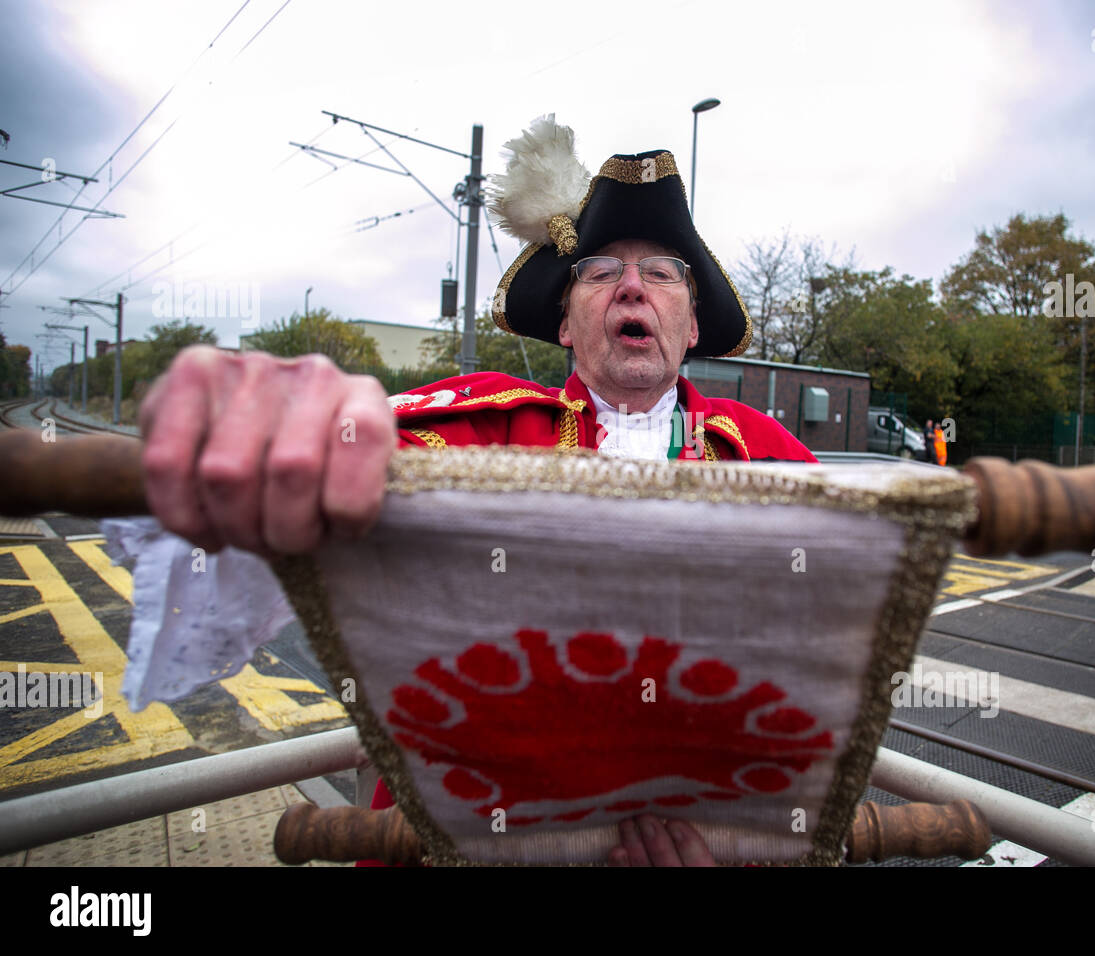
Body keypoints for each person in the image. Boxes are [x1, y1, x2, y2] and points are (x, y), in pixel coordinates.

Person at [138, 118, 816, 866]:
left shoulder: (767, 454)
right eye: (598, 272)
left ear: (691, 327)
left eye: (661, 272)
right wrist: (279, 429)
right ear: (565, 321)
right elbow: (254, 533)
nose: (630, 285)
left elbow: (823, 666)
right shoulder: (474, 427)